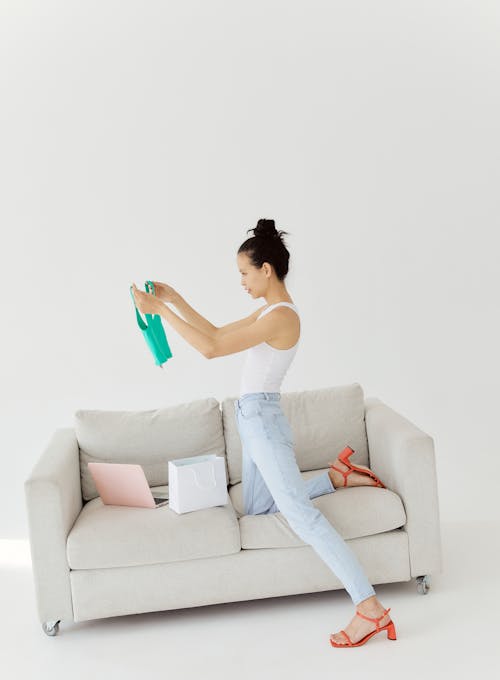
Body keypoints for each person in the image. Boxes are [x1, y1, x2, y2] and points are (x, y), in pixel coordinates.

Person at [131, 218, 395, 648]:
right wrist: (173, 298)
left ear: (266, 269)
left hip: (264, 423)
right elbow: (215, 332)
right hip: (250, 421)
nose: (241, 281)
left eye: (244, 273)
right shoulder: (269, 312)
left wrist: (158, 311)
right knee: (257, 507)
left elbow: (211, 350)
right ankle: (334, 477)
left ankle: (369, 607)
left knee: (301, 517)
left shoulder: (282, 318)